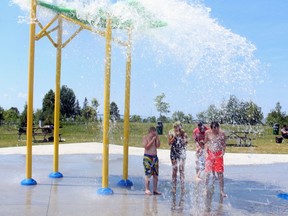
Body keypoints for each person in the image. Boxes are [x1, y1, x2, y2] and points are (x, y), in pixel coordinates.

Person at [204, 121, 227, 197]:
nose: (215, 131)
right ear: (211, 128)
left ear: (218, 127)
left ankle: (222, 191)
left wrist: (223, 152)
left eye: (216, 129)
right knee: (207, 173)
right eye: (213, 129)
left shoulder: (222, 133)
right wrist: (206, 152)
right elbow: (206, 142)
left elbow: (224, 144)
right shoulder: (207, 133)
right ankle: (205, 189)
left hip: (218, 154)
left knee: (220, 173)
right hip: (210, 153)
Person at [169, 122, 188, 193]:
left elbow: (186, 143)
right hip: (173, 153)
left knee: (181, 170)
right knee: (174, 169)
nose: (178, 129)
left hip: (181, 153)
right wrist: (174, 137)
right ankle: (174, 187)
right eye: (176, 127)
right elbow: (169, 143)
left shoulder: (183, 133)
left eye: (179, 127)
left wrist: (184, 140)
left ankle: (183, 188)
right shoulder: (171, 133)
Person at [143, 126, 161, 195]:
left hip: (155, 157)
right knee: (148, 174)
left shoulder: (155, 138)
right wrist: (152, 139)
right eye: (153, 133)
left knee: (155, 174)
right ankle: (147, 189)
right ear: (150, 132)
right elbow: (146, 147)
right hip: (148, 157)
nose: (154, 135)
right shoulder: (145, 137)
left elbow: (158, 146)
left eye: (155, 134)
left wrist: (157, 139)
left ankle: (155, 189)